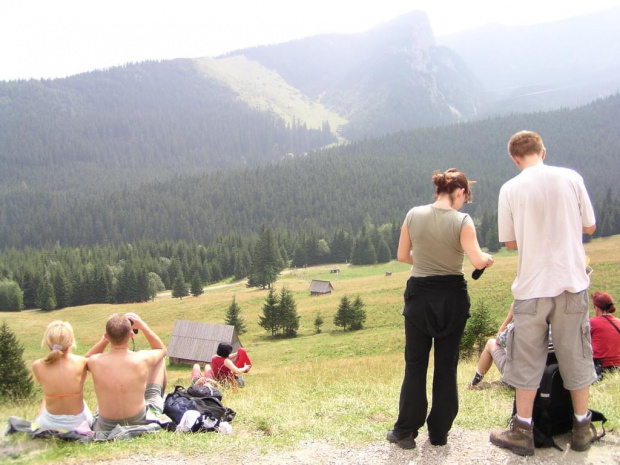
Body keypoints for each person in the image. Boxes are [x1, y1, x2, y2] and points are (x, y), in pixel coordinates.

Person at [490, 130, 598, 456]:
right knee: (575, 353)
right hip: (571, 281)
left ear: (515, 158)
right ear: (543, 151)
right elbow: (590, 226)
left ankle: (522, 430)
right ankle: (582, 427)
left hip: (532, 286)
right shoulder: (571, 178)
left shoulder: (510, 188)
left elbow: (509, 242)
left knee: (528, 358)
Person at [386, 168, 494, 449]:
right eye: (464, 198)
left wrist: (425, 261)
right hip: (452, 296)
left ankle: (406, 430)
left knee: (415, 364)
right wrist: (486, 259)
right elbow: (476, 260)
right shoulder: (463, 221)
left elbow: (401, 256)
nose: (463, 203)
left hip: (419, 295)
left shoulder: (413, 215)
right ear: (459, 192)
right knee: (446, 366)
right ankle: (439, 432)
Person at [87, 312, 167, 431]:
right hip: (140, 420)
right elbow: (161, 349)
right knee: (160, 360)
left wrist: (104, 339)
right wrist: (142, 326)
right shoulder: (142, 358)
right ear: (130, 335)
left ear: (107, 336)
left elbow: (86, 358)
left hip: (106, 425)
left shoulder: (95, 361)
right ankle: (159, 397)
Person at [32, 320, 103, 431]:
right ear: (71, 342)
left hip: (49, 424)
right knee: (78, 397)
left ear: (47, 341)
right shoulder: (81, 362)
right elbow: (92, 358)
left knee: (49, 395)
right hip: (79, 424)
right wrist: (105, 339)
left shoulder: (37, 365)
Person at [470, 303, 513, 387]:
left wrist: (510, 316)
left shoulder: (517, 325)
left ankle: (475, 382)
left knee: (491, 343)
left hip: (516, 377)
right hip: (538, 375)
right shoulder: (541, 323)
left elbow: (499, 340)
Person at [590, 291, 620, 373]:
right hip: (617, 367)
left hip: (601, 367)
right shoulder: (618, 322)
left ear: (596, 307)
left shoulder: (592, 322)